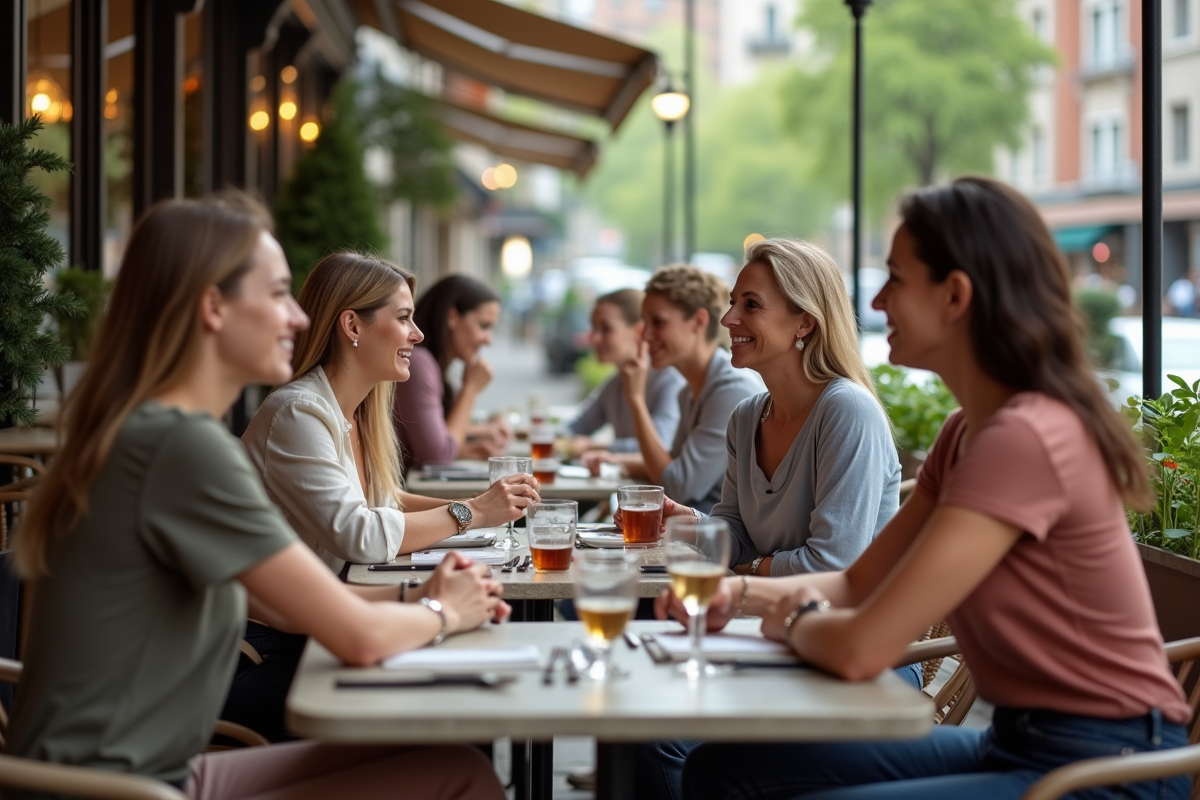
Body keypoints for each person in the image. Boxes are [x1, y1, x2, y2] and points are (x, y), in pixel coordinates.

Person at [660, 177, 1191, 800]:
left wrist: (788, 612)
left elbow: (862, 646)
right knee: (718, 772)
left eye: (895, 278)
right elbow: (858, 582)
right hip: (1019, 742)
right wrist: (735, 592)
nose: (877, 299)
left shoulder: (1023, 438)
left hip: (1105, 766)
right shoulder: (966, 430)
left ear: (955, 296)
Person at [9, 193, 508, 799]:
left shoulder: (151, 430)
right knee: (461, 772)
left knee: (456, 757)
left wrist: (422, 592)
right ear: (213, 307)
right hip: (120, 791)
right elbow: (358, 635)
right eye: (276, 294)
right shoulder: (181, 447)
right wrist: (445, 610)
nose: (299, 318)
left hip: (156, 772)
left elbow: (282, 600)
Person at [629, 240, 907, 800]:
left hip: (855, 650)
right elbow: (734, 530)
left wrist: (741, 573)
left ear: (805, 321)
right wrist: (691, 525)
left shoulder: (846, 410)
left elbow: (835, 564)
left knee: (657, 729)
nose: (729, 318)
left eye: (750, 305)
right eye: (733, 302)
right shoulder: (746, 416)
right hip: (776, 634)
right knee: (634, 700)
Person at [233, 252, 540, 740]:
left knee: (466, 684)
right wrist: (471, 512)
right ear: (351, 324)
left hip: (317, 625)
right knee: (457, 698)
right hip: (264, 649)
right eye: (404, 318)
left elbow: (385, 499)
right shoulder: (296, 413)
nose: (418, 334)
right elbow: (360, 534)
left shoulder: (351, 411)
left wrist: (482, 512)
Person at [590, 266, 763, 514]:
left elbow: (677, 485)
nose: (646, 335)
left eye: (658, 322)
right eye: (644, 323)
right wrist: (618, 461)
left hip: (717, 541)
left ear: (699, 321)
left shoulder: (731, 391)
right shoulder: (689, 391)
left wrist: (636, 399)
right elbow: (672, 464)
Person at [393, 274, 510, 470]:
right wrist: (470, 389)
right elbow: (437, 456)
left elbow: (437, 434)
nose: (489, 340)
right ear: (452, 316)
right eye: (483, 326)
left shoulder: (428, 362)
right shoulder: (418, 363)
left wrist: (481, 432)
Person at [567, 288, 686, 459]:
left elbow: (660, 444)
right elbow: (573, 429)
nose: (594, 338)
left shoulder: (670, 380)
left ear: (638, 331)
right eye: (593, 328)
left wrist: (591, 446)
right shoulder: (615, 383)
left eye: (606, 329)